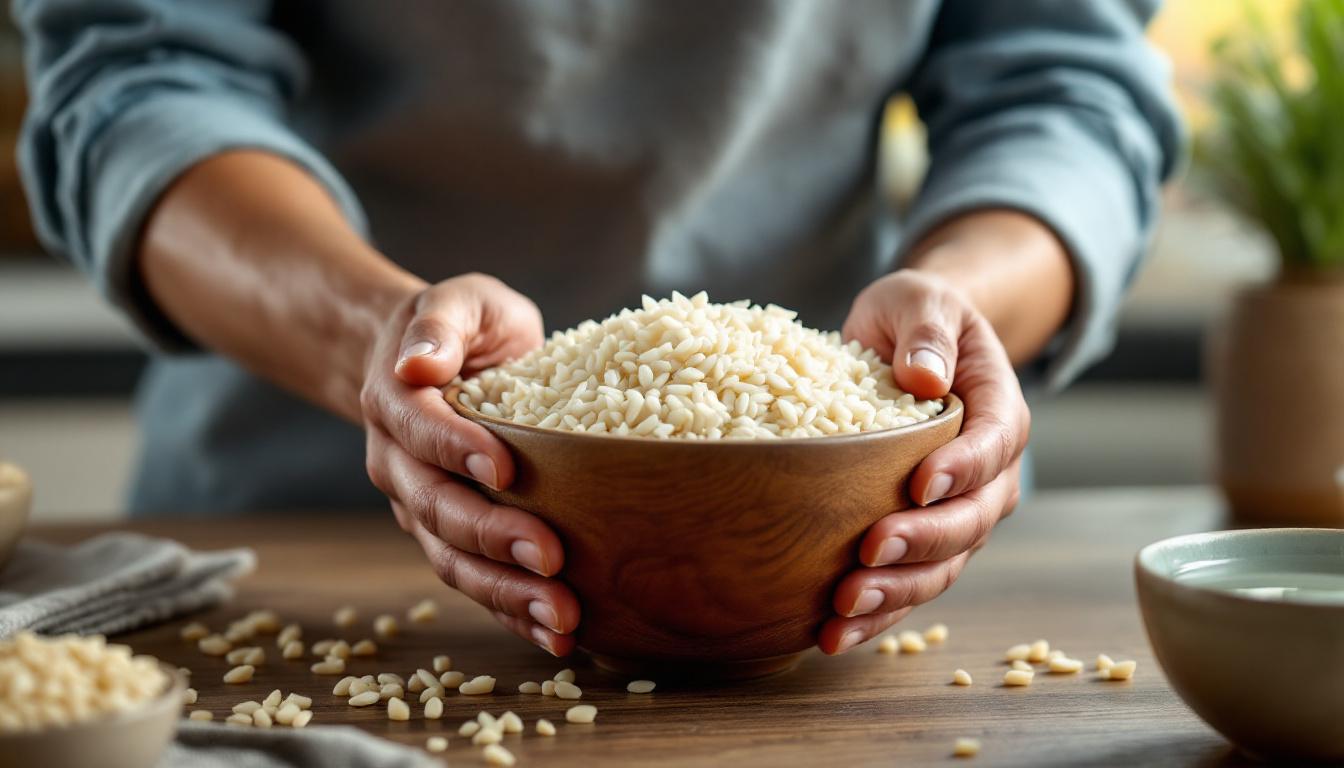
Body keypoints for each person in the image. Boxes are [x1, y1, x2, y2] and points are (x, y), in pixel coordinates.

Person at [12, 1, 1181, 656]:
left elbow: (1061, 84)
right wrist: (380, 336)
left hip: (832, 529)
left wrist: (960, 307)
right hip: (281, 550)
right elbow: (136, 76)